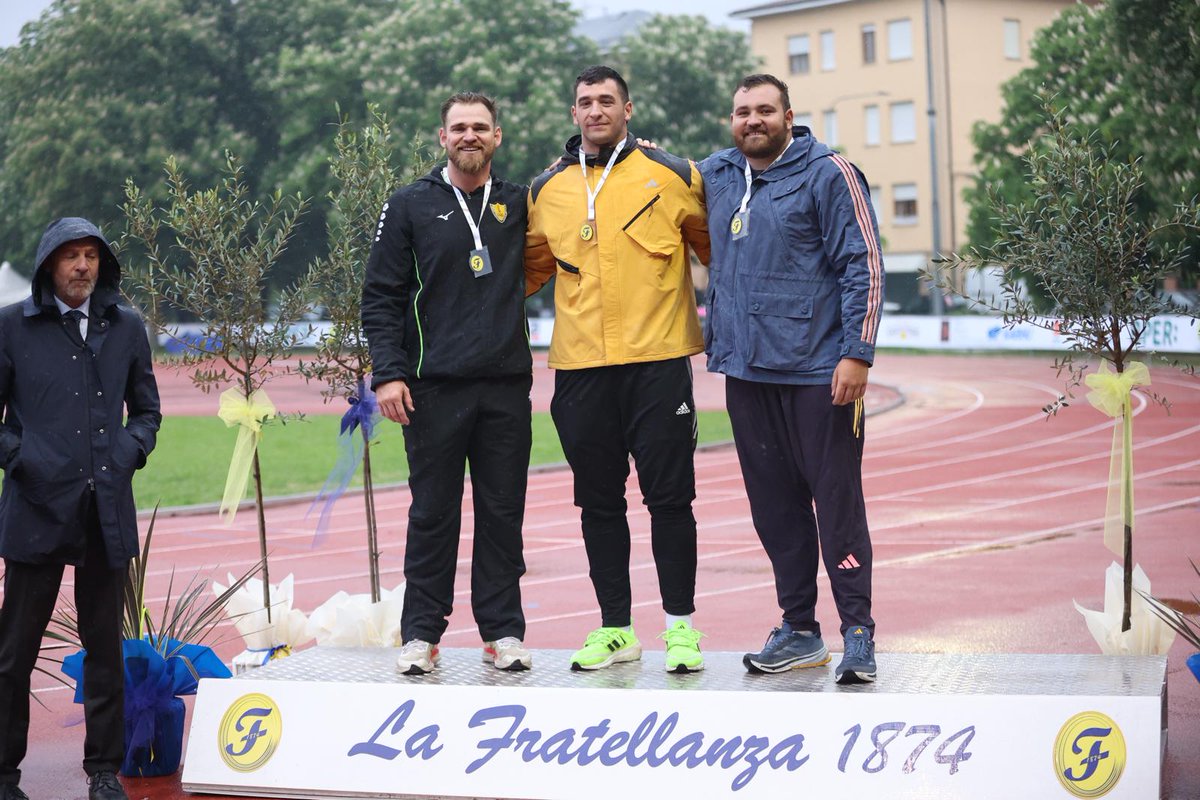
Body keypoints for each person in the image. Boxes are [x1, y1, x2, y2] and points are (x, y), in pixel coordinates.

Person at [699, 74, 884, 683]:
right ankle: (799, 629)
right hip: (747, 372)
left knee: (836, 506)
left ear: (788, 115)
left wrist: (856, 353)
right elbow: (652, 180)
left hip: (817, 373)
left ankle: (858, 633)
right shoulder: (718, 174)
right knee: (775, 511)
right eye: (742, 112)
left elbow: (865, 265)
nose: (752, 120)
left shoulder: (830, 172)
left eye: (764, 111)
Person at [526, 65, 711, 673]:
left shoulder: (675, 174)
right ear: (573, 113)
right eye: (585, 102)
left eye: (607, 100)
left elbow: (720, 252)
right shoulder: (544, 190)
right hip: (581, 371)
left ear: (628, 109)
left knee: (671, 501)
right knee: (598, 505)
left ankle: (681, 629)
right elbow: (524, 274)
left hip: (657, 364)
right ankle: (616, 629)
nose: (596, 110)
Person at [362, 92, 533, 675]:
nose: (469, 136)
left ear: (497, 137)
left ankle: (503, 632)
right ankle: (421, 635)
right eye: (458, 127)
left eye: (480, 128)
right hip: (434, 388)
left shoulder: (518, 201)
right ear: (442, 138)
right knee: (433, 514)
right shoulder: (409, 204)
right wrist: (388, 374)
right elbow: (381, 295)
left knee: (503, 513)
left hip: (506, 386)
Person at [0, 218, 161, 800]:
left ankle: (102, 771)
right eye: (70, 255)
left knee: (104, 648)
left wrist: (126, 452)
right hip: (36, 508)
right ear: (49, 263)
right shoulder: (12, 326)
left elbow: (147, 411)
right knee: (15, 650)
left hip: (105, 510)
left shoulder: (126, 326)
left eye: (91, 255)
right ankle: (3, 773)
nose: (81, 266)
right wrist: (23, 459)